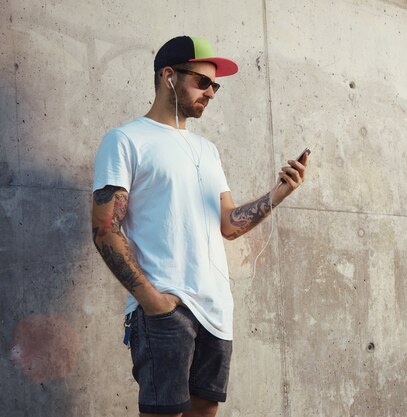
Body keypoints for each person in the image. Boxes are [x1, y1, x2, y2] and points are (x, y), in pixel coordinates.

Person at [91, 35, 308, 417]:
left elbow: (228, 224)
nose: (211, 93)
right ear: (169, 76)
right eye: (203, 82)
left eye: (216, 85)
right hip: (167, 308)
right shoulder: (126, 140)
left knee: (205, 411)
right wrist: (153, 302)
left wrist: (280, 192)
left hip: (216, 309)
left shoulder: (208, 151)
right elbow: (106, 229)